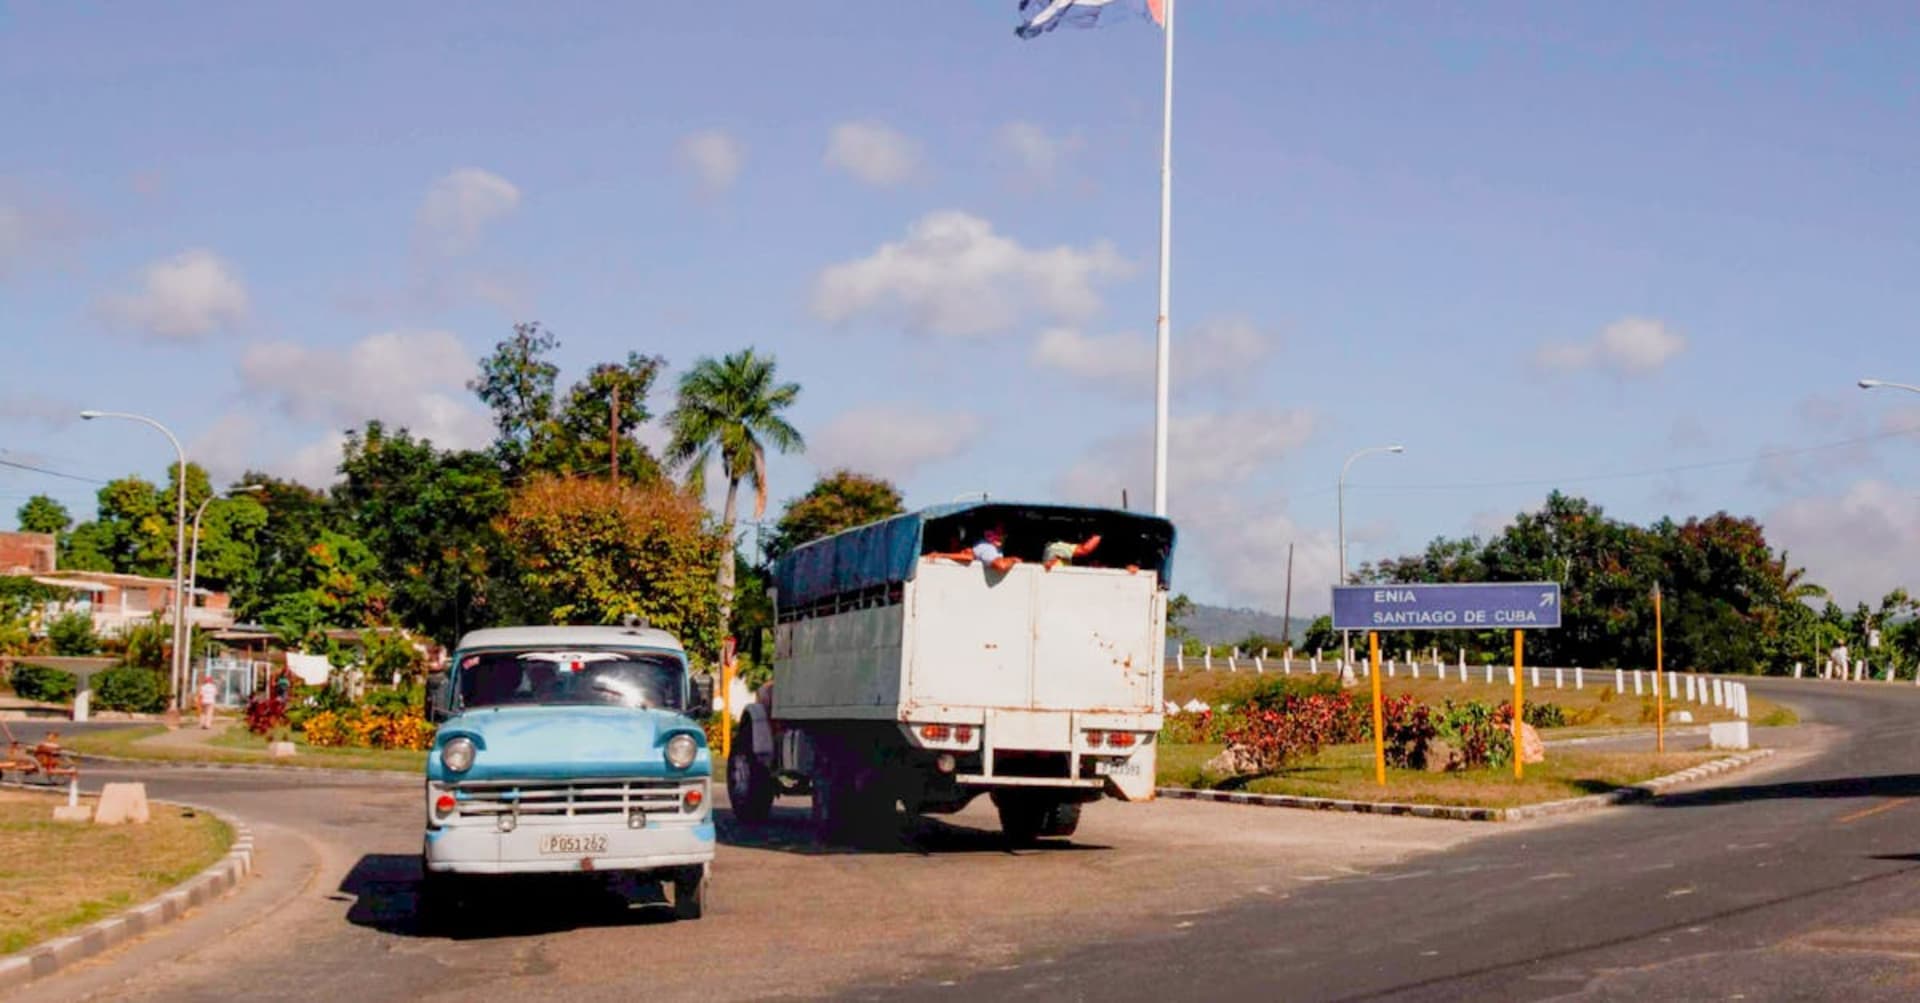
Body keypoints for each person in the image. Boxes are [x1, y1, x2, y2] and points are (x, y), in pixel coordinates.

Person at [931, 524, 1021, 573]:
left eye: (1002, 533)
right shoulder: (985, 547)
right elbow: (1001, 566)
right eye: (996, 532)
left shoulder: (996, 547)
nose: (1000, 536)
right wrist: (1012, 559)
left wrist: (941, 555)